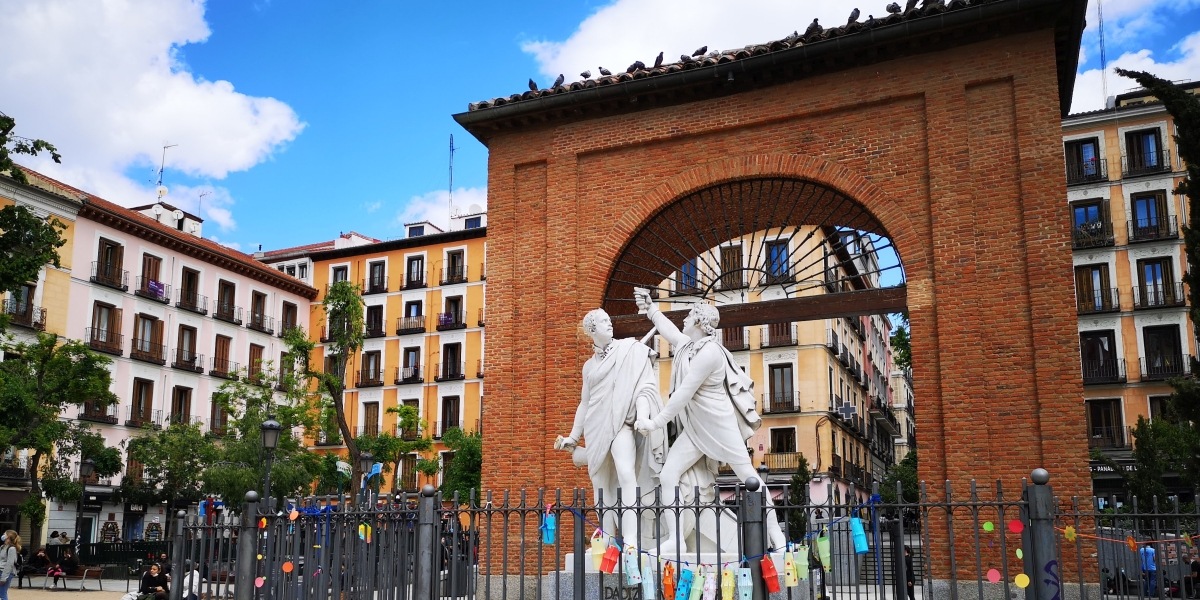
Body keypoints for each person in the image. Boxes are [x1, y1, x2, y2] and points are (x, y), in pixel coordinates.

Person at [634, 293, 786, 550]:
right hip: (695, 429)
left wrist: (655, 422)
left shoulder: (710, 353)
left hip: (718, 425)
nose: (685, 318)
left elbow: (684, 393)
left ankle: (777, 535)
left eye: (690, 315)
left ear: (700, 322)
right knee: (669, 474)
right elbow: (669, 331)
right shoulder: (688, 346)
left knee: (749, 477)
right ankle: (676, 539)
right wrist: (652, 311)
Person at [556, 308, 667, 546]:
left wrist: (643, 414)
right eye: (604, 321)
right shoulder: (588, 366)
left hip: (621, 423)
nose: (610, 324)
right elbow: (585, 403)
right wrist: (573, 438)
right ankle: (606, 540)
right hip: (595, 426)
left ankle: (630, 541)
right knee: (601, 485)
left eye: (609, 319)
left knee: (627, 475)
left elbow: (643, 386)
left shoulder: (628, 349)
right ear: (592, 329)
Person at [0, 530, 21, 600]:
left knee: (2, 593)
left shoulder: (11, 548)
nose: (3, 535)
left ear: (8, 536)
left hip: (5, 573)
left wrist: (4, 577)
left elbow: (10, 564)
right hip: (1, 570)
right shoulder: (3, 547)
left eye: (4, 534)